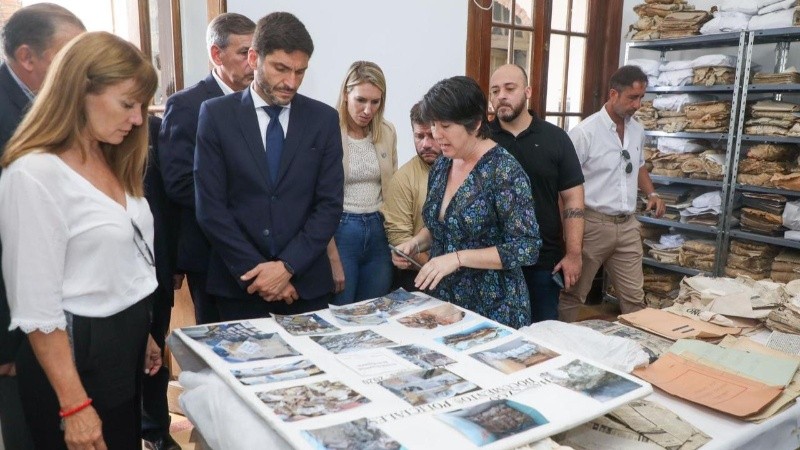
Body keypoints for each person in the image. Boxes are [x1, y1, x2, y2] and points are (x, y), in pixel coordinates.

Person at [0, 31, 161, 450]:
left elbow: (122, 256)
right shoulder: (34, 174)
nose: (138, 119)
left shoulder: (110, 155)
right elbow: (37, 308)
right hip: (73, 358)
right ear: (79, 91)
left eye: (141, 106)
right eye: (127, 104)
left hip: (122, 344)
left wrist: (140, 334)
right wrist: (74, 406)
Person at [194, 12, 344, 320]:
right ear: (254, 58)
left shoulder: (323, 120)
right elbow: (211, 208)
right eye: (281, 68)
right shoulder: (216, 116)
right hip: (240, 287)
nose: (291, 82)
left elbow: (329, 205)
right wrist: (260, 274)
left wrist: (288, 267)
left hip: (305, 286)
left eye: (300, 72)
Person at [391, 76, 541, 329]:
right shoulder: (443, 164)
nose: (437, 135)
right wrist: (415, 244)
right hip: (446, 303)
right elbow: (442, 226)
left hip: (494, 306)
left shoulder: (504, 171)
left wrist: (458, 258)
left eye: (445, 126)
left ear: (475, 123)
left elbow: (526, 247)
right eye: (434, 125)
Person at [0, 4, 84, 449]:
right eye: (69, 53)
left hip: (72, 313)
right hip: (15, 327)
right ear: (27, 57)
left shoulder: (67, 104)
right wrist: (4, 341)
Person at [159, 13, 255, 325]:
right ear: (217, 54)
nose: (253, 63)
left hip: (260, 248)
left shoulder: (262, 102)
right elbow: (179, 182)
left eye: (256, 53)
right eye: (244, 53)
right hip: (210, 252)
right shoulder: (187, 105)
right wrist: (244, 205)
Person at [559, 65, 666, 322]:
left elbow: (638, 164)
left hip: (627, 226)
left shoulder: (637, 130)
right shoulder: (584, 133)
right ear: (613, 94)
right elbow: (563, 185)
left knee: (635, 298)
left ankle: (640, 344)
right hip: (592, 224)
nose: (637, 105)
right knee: (572, 294)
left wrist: (652, 194)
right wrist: (566, 235)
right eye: (632, 98)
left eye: (641, 98)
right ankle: (557, 341)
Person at [488, 64, 585, 323]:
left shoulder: (555, 138)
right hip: (491, 261)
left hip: (542, 261)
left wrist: (573, 253)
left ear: (527, 91)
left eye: (509, 88)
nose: (501, 96)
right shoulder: (481, 139)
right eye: (495, 91)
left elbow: (573, 199)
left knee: (543, 335)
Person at [328, 61, 397, 304]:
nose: (368, 110)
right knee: (342, 309)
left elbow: (392, 188)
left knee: (375, 311)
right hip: (341, 229)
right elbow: (316, 197)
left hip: (379, 229)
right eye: (361, 100)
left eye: (375, 102)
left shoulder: (387, 132)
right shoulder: (328, 130)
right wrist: (331, 255)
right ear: (346, 94)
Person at [142, 115, 182, 450]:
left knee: (155, 347)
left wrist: (175, 262)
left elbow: (170, 200)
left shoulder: (155, 129)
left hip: (158, 261)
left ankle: (156, 431)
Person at [382, 101, 442, 291]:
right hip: (418, 277)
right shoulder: (403, 178)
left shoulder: (461, 169)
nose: (426, 144)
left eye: (432, 136)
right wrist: (439, 269)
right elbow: (400, 240)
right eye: (419, 136)